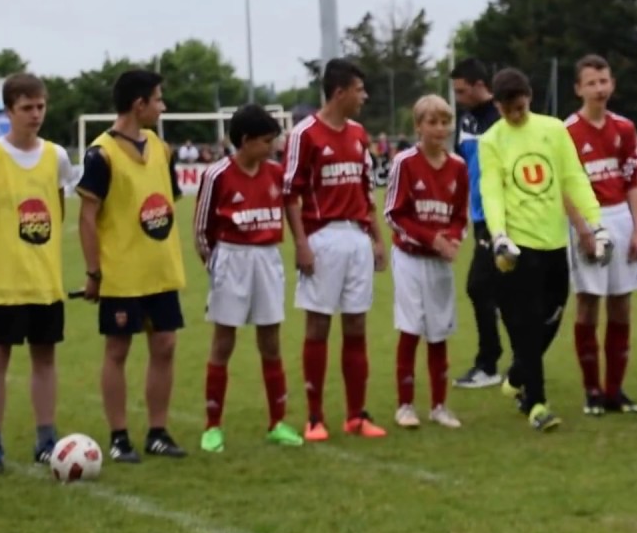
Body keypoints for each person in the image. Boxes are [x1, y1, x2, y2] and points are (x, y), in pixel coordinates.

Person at [478, 68, 609, 432]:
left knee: (552, 317)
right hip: (519, 246)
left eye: (519, 108)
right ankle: (536, 403)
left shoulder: (554, 130)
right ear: (498, 106)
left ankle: (519, 372)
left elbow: (573, 177)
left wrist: (595, 221)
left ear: (529, 98)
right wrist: (500, 234)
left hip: (555, 243)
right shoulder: (491, 141)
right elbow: (492, 190)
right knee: (526, 325)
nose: (515, 116)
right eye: (507, 111)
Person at [0, 74, 78, 473]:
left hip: (44, 280)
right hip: (2, 283)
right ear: (9, 110)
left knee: (44, 357)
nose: (35, 114)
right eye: (27, 108)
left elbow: (58, 210)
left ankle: (46, 439)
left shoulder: (57, 157)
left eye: (40, 106)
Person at [77, 69, 188, 462]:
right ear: (139, 104)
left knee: (165, 346)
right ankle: (119, 436)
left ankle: (158, 432)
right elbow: (87, 216)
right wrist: (93, 271)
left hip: (160, 269)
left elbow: (168, 202)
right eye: (158, 99)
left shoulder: (161, 147)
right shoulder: (100, 153)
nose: (163, 106)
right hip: (121, 273)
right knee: (118, 351)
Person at [283, 58, 388, 442]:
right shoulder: (304, 135)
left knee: (357, 324)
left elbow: (364, 189)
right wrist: (301, 244)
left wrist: (376, 238)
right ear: (340, 91)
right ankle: (314, 417)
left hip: (356, 237)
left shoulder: (359, 133)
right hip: (322, 238)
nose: (365, 96)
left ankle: (356, 415)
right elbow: (290, 194)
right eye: (360, 90)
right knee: (318, 325)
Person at [193, 104, 304, 452]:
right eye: (267, 140)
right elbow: (201, 230)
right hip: (231, 258)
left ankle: (277, 422)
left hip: (267, 259)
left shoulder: (276, 173)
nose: (273, 147)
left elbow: (291, 207)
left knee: (270, 342)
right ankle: (213, 426)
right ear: (245, 141)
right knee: (223, 342)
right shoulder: (217, 175)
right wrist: (217, 266)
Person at [563, 55, 637, 416]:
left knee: (621, 303)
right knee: (588, 303)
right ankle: (592, 391)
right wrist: (582, 229)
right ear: (579, 88)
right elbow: (564, 187)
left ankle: (615, 390)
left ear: (612, 84)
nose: (599, 89)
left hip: (621, 219)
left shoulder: (625, 129)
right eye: (591, 83)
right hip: (588, 220)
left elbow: (632, 182)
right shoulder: (566, 131)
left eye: (604, 81)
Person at [385, 95, 469, 430]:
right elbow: (393, 213)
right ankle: (405, 405)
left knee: (439, 331)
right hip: (409, 257)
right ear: (418, 126)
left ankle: (439, 405)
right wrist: (430, 238)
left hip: (440, 261)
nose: (440, 129)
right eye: (432, 122)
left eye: (445, 122)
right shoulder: (405, 163)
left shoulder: (459, 167)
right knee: (411, 328)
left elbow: (460, 215)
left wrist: (452, 239)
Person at [450, 58, 505, 388]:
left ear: (478, 85)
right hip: (479, 216)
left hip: (504, 218)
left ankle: (489, 363)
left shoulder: (501, 118)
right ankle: (509, 361)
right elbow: (464, 164)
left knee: (478, 286)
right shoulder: (466, 119)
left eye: (461, 91)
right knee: (497, 290)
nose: (457, 97)